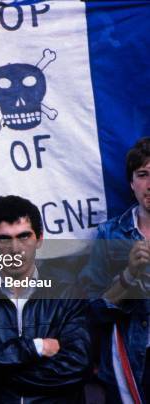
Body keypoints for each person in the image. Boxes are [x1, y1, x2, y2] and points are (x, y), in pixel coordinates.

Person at [0, 195, 91, 403]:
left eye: (24, 236)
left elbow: (77, 365)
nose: (15, 249)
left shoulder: (68, 293)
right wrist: (36, 348)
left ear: (39, 239)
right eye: (4, 238)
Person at [78, 137, 150, 403]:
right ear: (132, 183)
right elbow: (96, 309)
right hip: (131, 360)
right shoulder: (111, 233)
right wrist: (129, 274)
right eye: (143, 174)